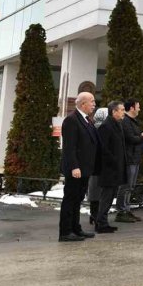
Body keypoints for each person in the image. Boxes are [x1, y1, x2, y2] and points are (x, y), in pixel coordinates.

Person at [58, 90, 100, 242]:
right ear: (83, 104)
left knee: (78, 199)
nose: (94, 104)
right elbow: (70, 147)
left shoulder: (87, 120)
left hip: (85, 169)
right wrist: (74, 167)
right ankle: (65, 232)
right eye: (92, 101)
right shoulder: (72, 120)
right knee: (70, 199)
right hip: (76, 169)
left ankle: (76, 228)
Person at [115, 99, 143, 223]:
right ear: (132, 108)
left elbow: (134, 137)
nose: (139, 109)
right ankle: (121, 211)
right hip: (129, 158)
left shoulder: (133, 122)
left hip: (135, 157)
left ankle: (127, 209)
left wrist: (141, 136)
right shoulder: (126, 121)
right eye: (138, 107)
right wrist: (142, 137)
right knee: (125, 186)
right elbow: (130, 138)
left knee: (131, 186)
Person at [95, 101, 127, 233]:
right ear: (114, 111)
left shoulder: (117, 125)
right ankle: (100, 223)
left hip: (116, 168)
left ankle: (103, 222)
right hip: (109, 170)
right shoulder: (106, 126)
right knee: (106, 197)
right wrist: (114, 161)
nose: (124, 112)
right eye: (122, 110)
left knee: (110, 197)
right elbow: (103, 149)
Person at [86, 107, 108, 228]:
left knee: (94, 190)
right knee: (98, 191)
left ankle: (94, 214)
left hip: (93, 164)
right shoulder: (103, 129)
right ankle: (96, 215)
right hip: (99, 163)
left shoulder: (93, 127)